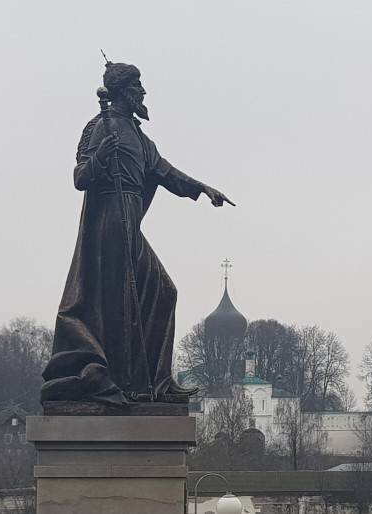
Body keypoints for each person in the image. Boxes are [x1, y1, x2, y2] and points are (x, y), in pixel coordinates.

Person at [41, 62, 234, 404]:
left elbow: (165, 172)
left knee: (163, 291)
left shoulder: (139, 136)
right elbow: (80, 177)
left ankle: (158, 382)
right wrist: (101, 156)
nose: (143, 92)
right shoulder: (99, 127)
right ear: (123, 91)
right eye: (137, 86)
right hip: (109, 221)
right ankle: (121, 381)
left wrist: (202, 188)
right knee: (118, 302)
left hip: (130, 219)